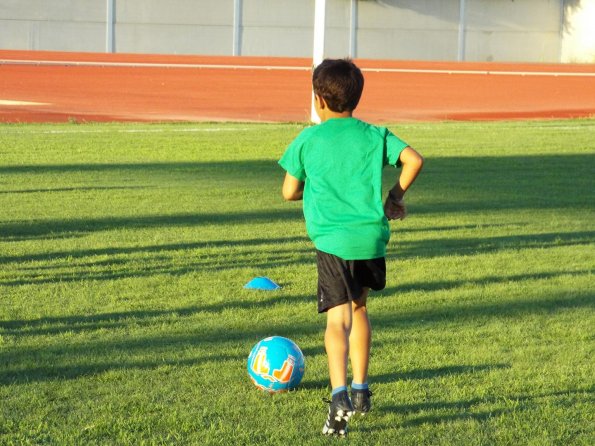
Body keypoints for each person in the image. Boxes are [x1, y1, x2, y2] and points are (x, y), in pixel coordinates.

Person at [278, 58, 424, 437]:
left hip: (332, 241)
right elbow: (413, 160)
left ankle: (339, 396)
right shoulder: (375, 135)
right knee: (359, 307)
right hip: (370, 239)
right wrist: (395, 196)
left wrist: (310, 189)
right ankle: (361, 390)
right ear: (355, 98)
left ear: (318, 100)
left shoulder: (309, 138)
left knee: (336, 319)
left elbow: (288, 191)